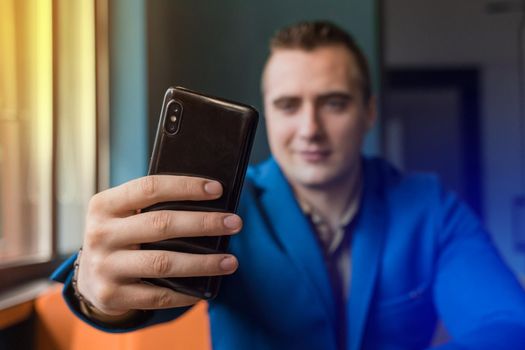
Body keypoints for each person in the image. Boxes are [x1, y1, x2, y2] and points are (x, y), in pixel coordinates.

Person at [52, 21, 525, 349]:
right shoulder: (225, 211)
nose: (309, 129)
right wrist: (92, 287)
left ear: (369, 112)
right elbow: (135, 298)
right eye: (288, 105)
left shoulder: (431, 208)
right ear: (268, 112)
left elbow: (509, 325)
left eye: (334, 103)